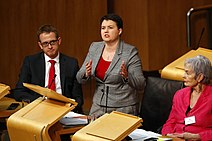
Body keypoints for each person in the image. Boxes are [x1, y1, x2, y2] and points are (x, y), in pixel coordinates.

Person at [76, 13, 146, 118]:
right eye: (103, 28)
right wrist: (86, 74)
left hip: (123, 108)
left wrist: (127, 77)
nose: (105, 31)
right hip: (98, 106)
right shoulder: (95, 47)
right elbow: (79, 78)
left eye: (110, 28)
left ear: (119, 31)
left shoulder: (130, 51)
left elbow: (141, 83)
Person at [13, 24, 83, 113]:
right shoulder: (31, 62)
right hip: (39, 109)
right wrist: (40, 103)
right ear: (40, 45)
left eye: (52, 42)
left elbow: (78, 97)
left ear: (59, 41)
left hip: (64, 110)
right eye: (45, 43)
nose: (50, 46)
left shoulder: (71, 63)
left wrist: (70, 107)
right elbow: (19, 91)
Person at [162, 55, 212, 140]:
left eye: (187, 73)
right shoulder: (179, 94)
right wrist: (167, 134)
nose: (183, 76)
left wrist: (198, 137)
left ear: (200, 77)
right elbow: (171, 121)